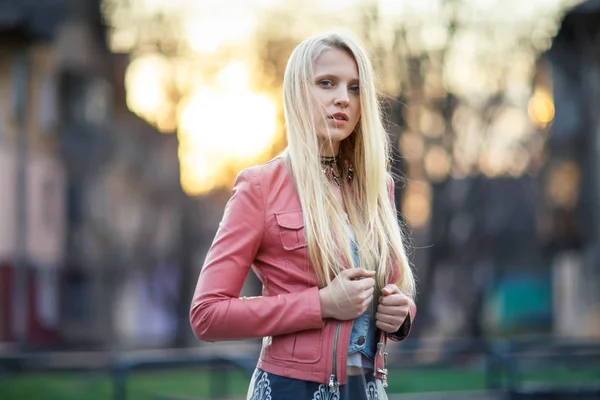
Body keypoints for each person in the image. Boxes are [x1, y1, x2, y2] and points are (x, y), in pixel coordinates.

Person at [190, 30, 417, 400]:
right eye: (327, 83)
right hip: (288, 389)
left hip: (367, 389)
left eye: (355, 88)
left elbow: (393, 292)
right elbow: (207, 314)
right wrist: (322, 304)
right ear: (297, 92)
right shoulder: (261, 186)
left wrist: (401, 314)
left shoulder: (378, 187)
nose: (343, 98)